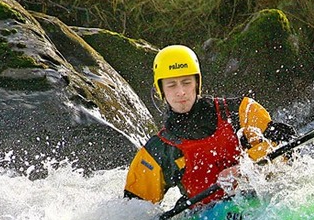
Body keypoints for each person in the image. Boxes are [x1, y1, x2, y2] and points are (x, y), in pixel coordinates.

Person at [123, 44, 295, 206]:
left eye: (186, 82)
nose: (181, 92)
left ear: (197, 83)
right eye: (171, 85)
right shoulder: (158, 151)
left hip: (257, 204)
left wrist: (243, 168)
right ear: (161, 90)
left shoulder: (241, 112)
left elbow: (285, 152)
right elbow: (133, 214)